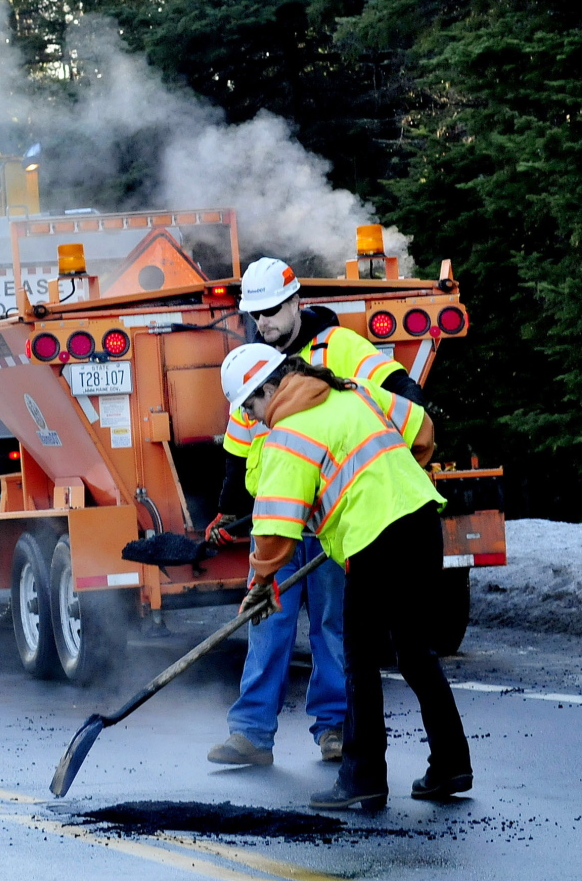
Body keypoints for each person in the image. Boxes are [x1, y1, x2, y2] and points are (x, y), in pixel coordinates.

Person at [222, 344, 472, 810]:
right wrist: (397, 479)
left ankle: (363, 777)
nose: (254, 419)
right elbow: (421, 428)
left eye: (252, 406)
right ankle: (451, 765)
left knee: (359, 661)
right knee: (416, 654)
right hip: (421, 523)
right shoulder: (353, 392)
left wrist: (261, 585)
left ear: (271, 387)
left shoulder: (288, 435)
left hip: (377, 542)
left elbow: (275, 528)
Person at [206, 257, 425, 767]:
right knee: (267, 619)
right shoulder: (253, 368)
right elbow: (239, 453)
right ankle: (251, 734)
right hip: (279, 517)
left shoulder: (340, 348)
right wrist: (226, 510)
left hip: (330, 518)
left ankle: (333, 728)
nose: (263, 324)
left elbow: (399, 390)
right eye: (255, 314)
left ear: (296, 302)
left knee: (333, 623)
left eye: (272, 312)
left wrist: (409, 445)